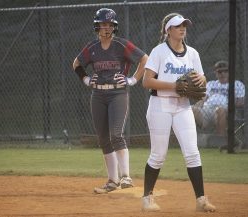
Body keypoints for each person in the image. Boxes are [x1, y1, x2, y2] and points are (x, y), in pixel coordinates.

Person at [141, 13, 216, 212]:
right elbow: (147, 82)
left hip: (183, 107)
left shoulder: (193, 53)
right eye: (178, 26)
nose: (182, 28)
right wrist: (174, 86)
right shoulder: (159, 51)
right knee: (158, 155)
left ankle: (201, 200)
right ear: (168, 31)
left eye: (184, 25)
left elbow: (201, 79)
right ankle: (147, 199)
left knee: (192, 153)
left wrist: (203, 80)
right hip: (160, 105)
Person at [72, 8, 148, 193]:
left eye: (110, 25)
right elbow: (76, 64)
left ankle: (126, 176)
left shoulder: (121, 45)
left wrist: (132, 80)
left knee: (116, 135)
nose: (106, 28)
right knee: (104, 138)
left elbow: (145, 59)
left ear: (114, 27)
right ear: (97, 27)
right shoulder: (92, 48)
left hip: (118, 94)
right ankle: (112, 181)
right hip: (97, 95)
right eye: (103, 25)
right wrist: (86, 79)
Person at [192, 60, 245, 139]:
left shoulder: (237, 84)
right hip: (207, 109)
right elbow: (203, 99)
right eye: (220, 72)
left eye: (225, 71)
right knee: (189, 109)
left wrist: (229, 105)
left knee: (220, 110)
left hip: (226, 110)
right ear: (216, 73)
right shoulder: (211, 84)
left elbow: (240, 102)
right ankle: (185, 139)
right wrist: (195, 107)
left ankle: (220, 140)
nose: (223, 73)